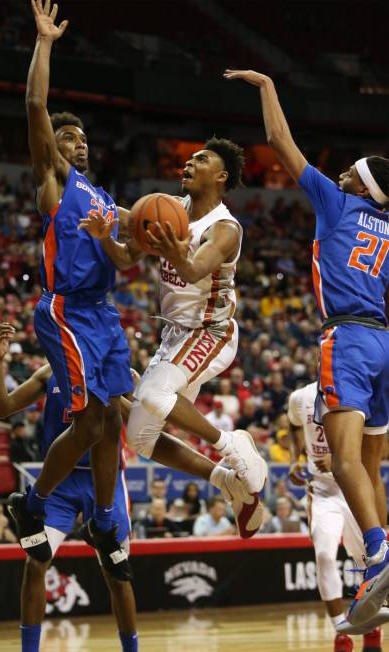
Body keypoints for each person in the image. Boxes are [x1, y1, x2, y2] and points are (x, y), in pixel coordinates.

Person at [225, 68, 389, 625]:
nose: (340, 173)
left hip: (346, 335)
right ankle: (376, 573)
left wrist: (268, 88)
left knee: (345, 461)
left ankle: (379, 551)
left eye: (351, 172)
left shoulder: (338, 203)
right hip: (385, 342)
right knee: (370, 467)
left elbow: (279, 144)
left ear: (363, 186)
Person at [79, 137, 268, 539]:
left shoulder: (224, 228)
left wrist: (171, 245)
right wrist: (103, 235)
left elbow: (196, 270)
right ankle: (228, 482)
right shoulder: (170, 207)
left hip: (211, 333)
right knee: (141, 439)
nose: (189, 162)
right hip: (175, 336)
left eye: (201, 159)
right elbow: (126, 257)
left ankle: (231, 445)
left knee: (149, 395)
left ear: (220, 176)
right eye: (189, 157)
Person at [8, 0, 134, 577]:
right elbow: (34, 103)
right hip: (67, 311)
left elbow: (142, 234)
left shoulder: (103, 197)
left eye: (82, 136)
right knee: (86, 423)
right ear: (53, 146)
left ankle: (105, 518)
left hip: (104, 315)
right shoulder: (54, 182)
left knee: (110, 422)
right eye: (67, 134)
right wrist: (45, 43)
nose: (77, 141)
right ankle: (30, 505)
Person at [0, 323, 138, 652]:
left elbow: (144, 424)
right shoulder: (49, 373)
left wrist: (109, 391)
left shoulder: (121, 373)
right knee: (35, 563)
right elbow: (0, 409)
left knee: (117, 572)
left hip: (106, 481)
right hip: (60, 482)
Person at [288, 381, 386, 651]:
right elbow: (293, 424)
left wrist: (341, 458)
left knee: (367, 559)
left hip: (355, 489)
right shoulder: (300, 397)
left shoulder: (360, 393)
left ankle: (372, 626)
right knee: (324, 555)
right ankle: (340, 629)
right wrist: (296, 458)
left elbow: (380, 450)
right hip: (322, 491)